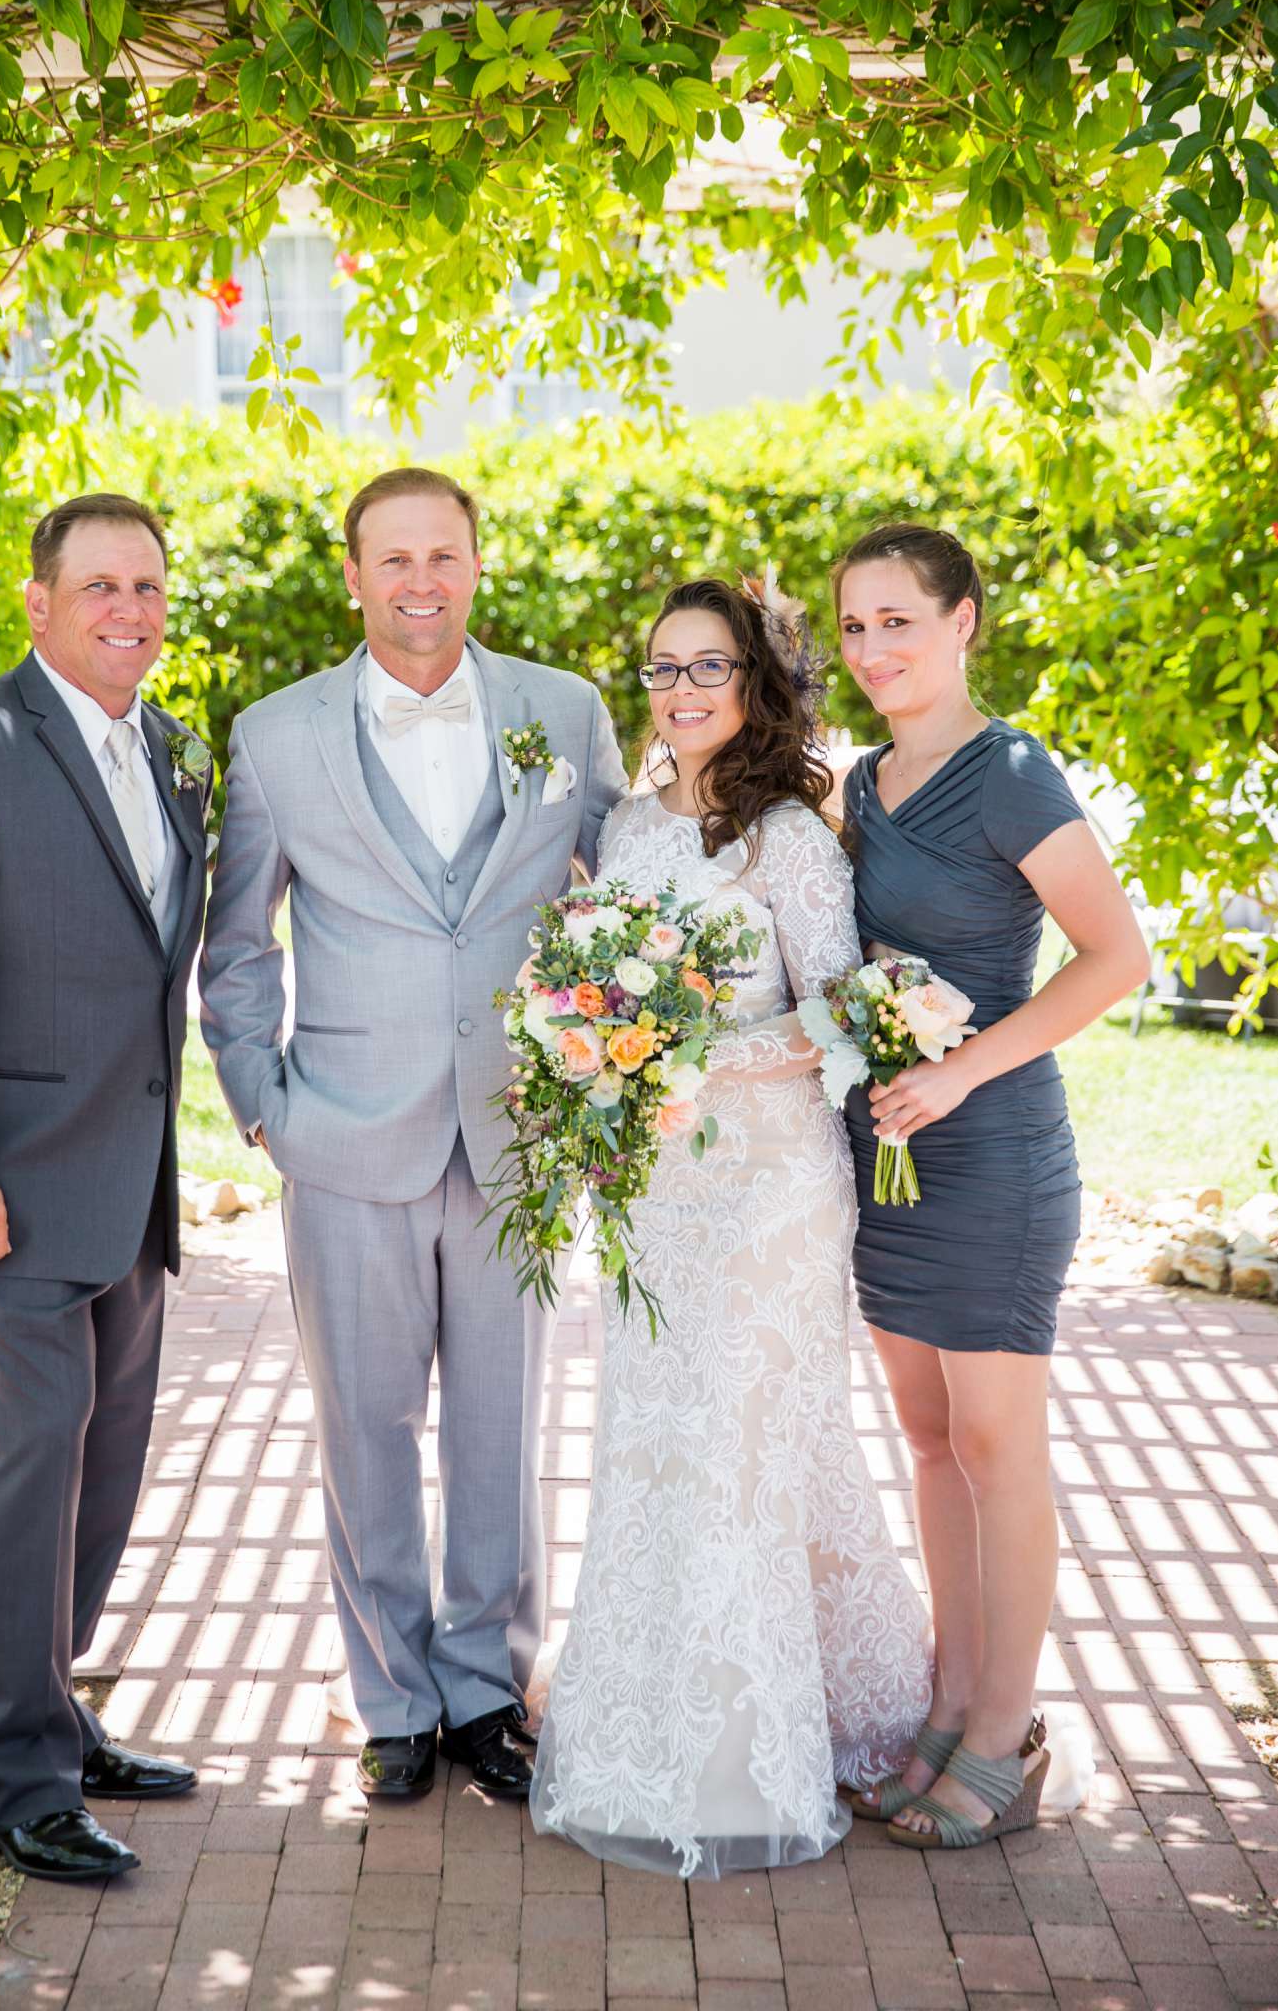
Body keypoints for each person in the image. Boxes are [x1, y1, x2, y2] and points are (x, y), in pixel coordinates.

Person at [199, 467, 625, 1804]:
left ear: (478, 565)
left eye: (444, 555)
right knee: (364, 1430)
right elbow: (236, 945)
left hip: (519, 1136)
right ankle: (390, 1695)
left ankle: (489, 1690)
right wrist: (263, 1102)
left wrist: (607, 1067)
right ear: (352, 575)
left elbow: (631, 896)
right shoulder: (274, 736)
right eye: (394, 560)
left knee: (503, 1429)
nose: (421, 583)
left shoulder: (563, 713)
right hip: (342, 1138)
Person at [530, 576, 933, 1878]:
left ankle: (749, 1753)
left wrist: (691, 1055)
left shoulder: (792, 839)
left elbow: (837, 1021)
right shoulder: (632, 827)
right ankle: (650, 1721)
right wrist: (605, 1068)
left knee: (743, 1449)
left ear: (755, 684)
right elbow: (596, 991)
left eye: (709, 667)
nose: (684, 689)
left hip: (768, 1194)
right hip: (653, 1197)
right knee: (657, 1448)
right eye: (662, 670)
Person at [0, 492, 214, 1883]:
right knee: (30, 1465)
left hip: (125, 1184)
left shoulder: (176, 752)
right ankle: (15, 1780)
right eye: (100, 587)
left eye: (147, 589)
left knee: (104, 1465)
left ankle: (56, 1714)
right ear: (39, 605)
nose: (128, 611)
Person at [834, 522, 1148, 1851]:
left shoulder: (1012, 770)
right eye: (854, 627)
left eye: (898, 619)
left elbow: (1115, 957)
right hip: (886, 1153)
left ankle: (1007, 1734)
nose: (874, 649)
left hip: (992, 1151)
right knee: (929, 1442)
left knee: (1001, 1446)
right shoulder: (858, 781)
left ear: (963, 621)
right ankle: (949, 1714)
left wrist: (961, 1072)